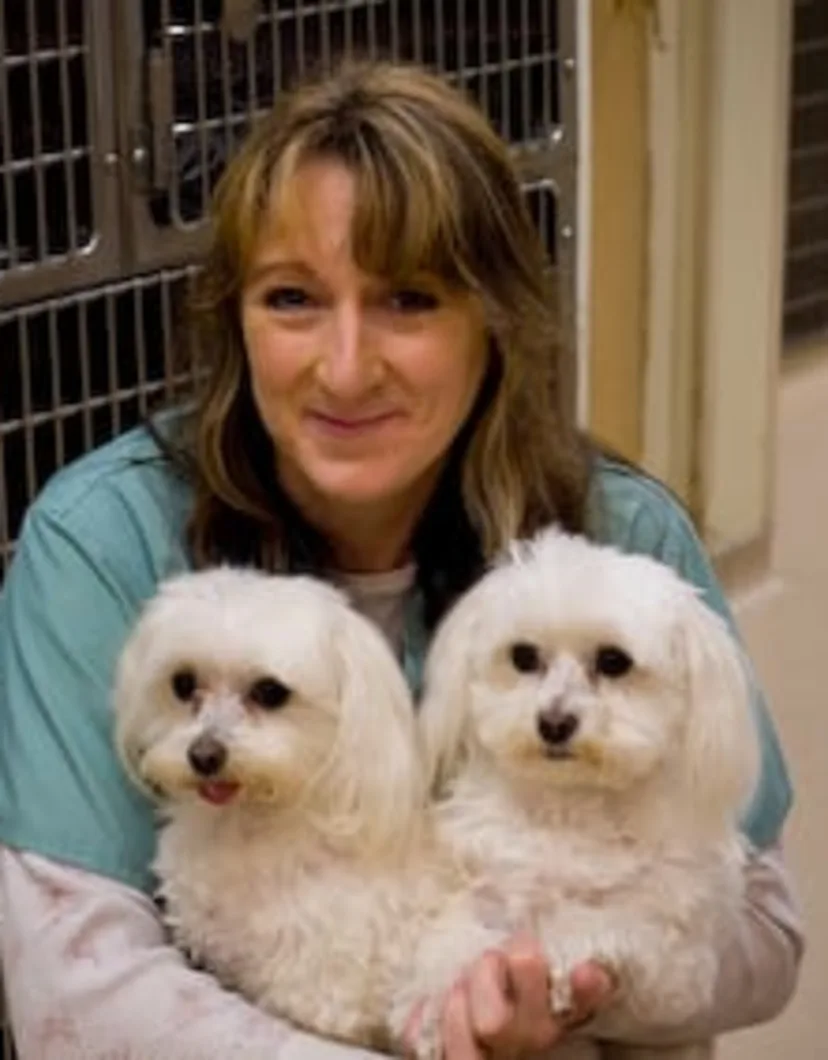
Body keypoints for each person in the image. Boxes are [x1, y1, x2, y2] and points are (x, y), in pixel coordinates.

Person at [0, 60, 802, 1060]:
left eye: (410, 300)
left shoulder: (618, 533)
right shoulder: (102, 544)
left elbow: (767, 936)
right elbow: (76, 996)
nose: (344, 366)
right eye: (292, 298)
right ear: (234, 317)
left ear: (497, 317)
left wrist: (576, 977)